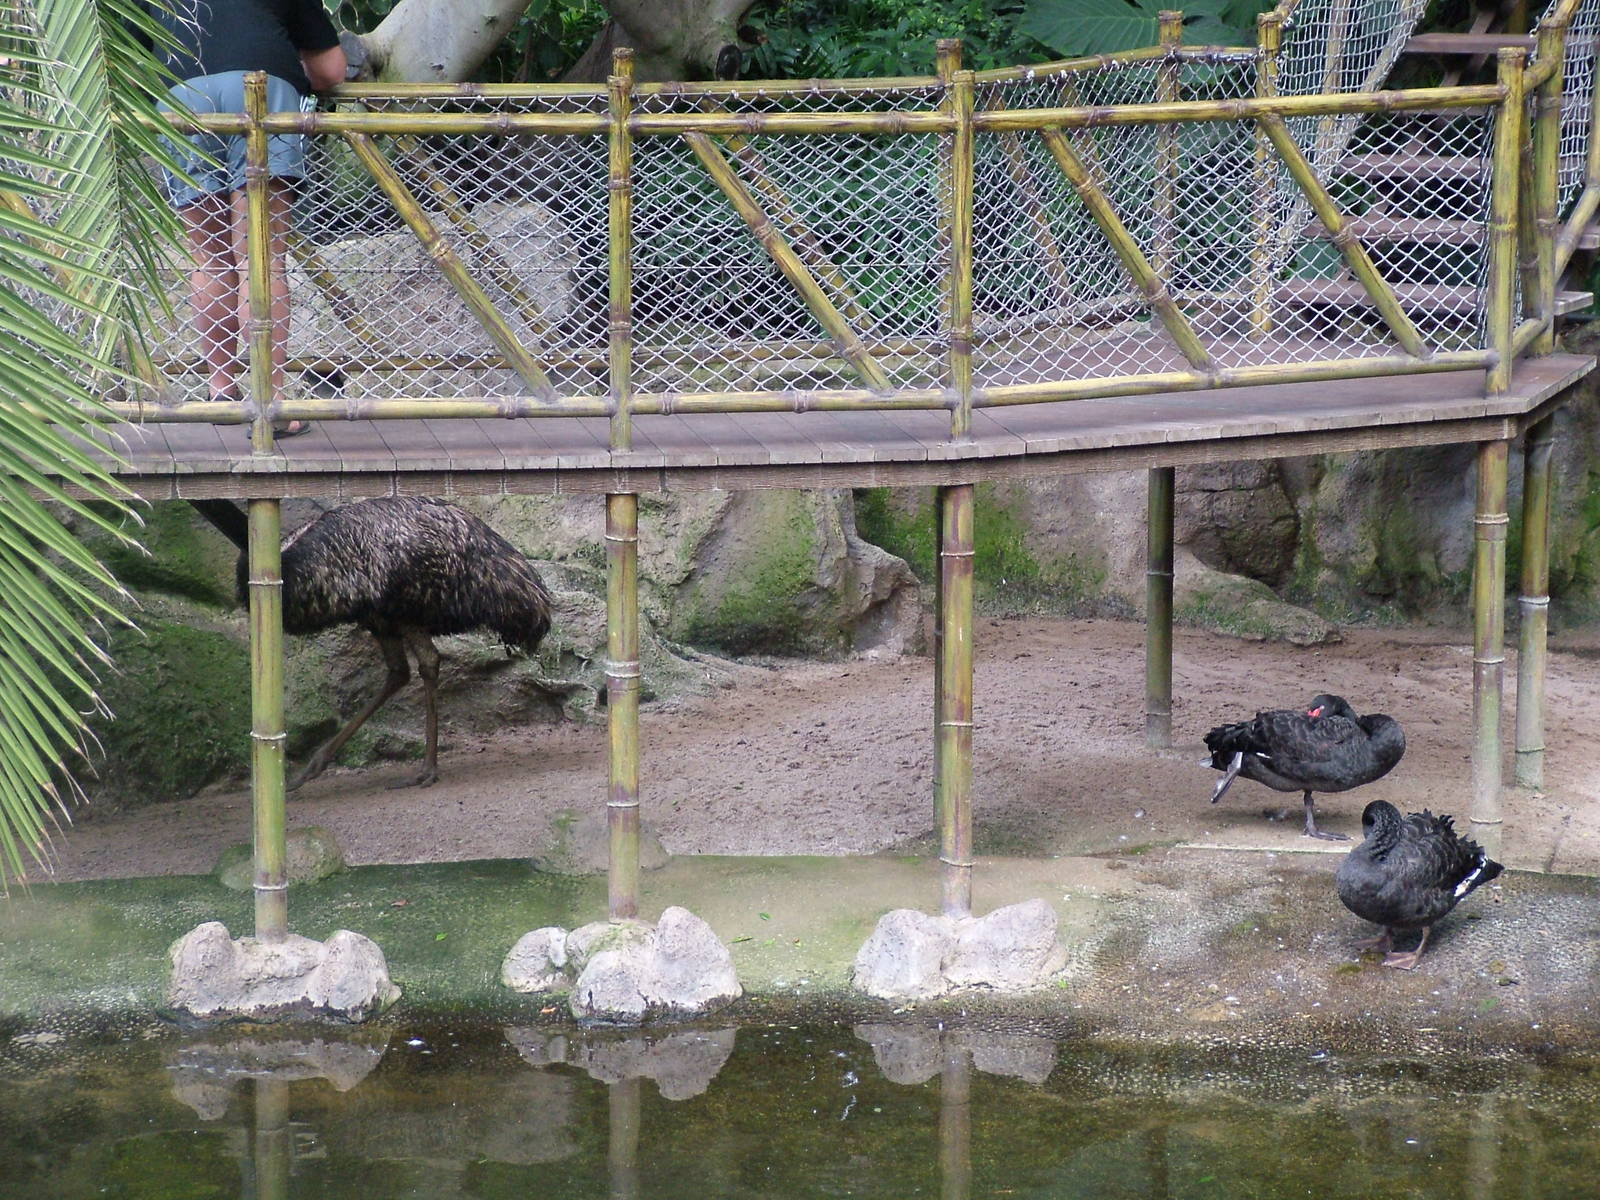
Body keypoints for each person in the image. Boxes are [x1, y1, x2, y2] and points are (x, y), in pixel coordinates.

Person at [148, 0, 347, 436]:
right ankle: (268, 400)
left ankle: (221, 391)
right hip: (262, 93)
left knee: (210, 256)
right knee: (261, 255)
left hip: (182, 99)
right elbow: (331, 71)